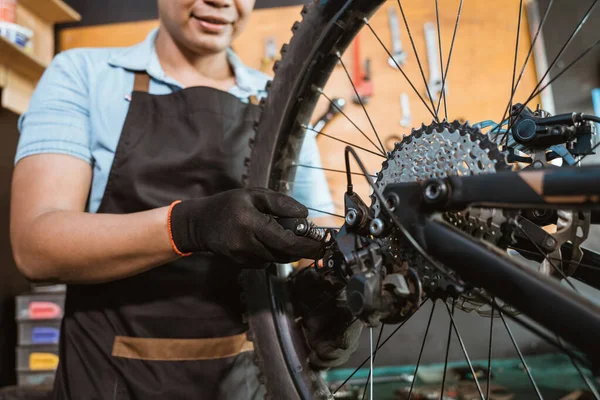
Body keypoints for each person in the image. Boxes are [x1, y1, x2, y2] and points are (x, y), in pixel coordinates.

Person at [10, 0, 359, 399]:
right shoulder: (84, 75)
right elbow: (35, 247)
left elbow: (308, 244)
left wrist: (325, 297)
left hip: (247, 385)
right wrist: (190, 226)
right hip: (109, 381)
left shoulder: (281, 104)